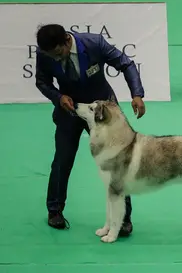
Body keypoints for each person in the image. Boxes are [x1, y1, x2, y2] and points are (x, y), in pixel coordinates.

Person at [34, 24, 147, 234]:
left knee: (118, 162)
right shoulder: (46, 53)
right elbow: (42, 81)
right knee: (63, 160)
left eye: (58, 53)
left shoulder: (94, 43)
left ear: (67, 41)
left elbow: (126, 64)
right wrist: (58, 97)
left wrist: (137, 93)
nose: (56, 59)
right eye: (51, 56)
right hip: (70, 109)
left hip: (104, 110)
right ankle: (55, 210)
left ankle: (123, 219)